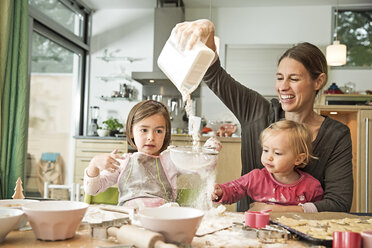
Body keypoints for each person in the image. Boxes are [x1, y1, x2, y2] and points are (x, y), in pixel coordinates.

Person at [174, 19, 353, 213]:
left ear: (318, 81)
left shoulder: (336, 135)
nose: (283, 86)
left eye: (294, 79)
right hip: (249, 233)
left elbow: (338, 204)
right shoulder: (256, 110)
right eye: (279, 78)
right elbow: (214, 74)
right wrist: (207, 33)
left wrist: (273, 210)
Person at [84, 100, 221, 208]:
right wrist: (94, 165)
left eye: (159, 131)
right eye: (144, 130)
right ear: (131, 132)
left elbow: (203, 165)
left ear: (166, 133)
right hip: (130, 221)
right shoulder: (122, 162)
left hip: (163, 221)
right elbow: (93, 189)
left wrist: (210, 150)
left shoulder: (171, 159)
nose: (151, 137)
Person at [212, 120, 324, 212]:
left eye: (277, 153)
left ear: (298, 159)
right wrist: (220, 191)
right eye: (265, 150)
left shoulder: (311, 187)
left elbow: (319, 214)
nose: (268, 157)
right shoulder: (256, 177)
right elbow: (235, 189)